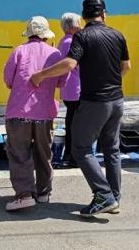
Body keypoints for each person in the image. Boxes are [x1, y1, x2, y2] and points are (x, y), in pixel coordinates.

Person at [30, 0, 130, 217]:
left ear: (84, 16)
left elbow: (69, 64)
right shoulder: (118, 35)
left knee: (80, 148)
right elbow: (126, 67)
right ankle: (114, 197)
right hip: (117, 100)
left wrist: (41, 75)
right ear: (104, 14)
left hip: (95, 102)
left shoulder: (82, 37)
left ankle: (103, 195)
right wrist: (111, 83)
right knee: (112, 149)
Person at [3, 16, 67, 211]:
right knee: (44, 152)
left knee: (19, 153)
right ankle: (43, 192)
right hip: (44, 112)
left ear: (29, 33)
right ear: (46, 35)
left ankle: (24, 195)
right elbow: (61, 82)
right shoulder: (55, 54)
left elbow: (8, 81)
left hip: (19, 111)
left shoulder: (19, 51)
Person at [58, 12, 83, 167]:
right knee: (76, 124)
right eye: (78, 22)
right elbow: (77, 64)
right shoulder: (71, 42)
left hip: (69, 88)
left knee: (72, 121)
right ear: (72, 26)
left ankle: (70, 154)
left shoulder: (65, 40)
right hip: (75, 87)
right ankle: (74, 156)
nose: (81, 25)